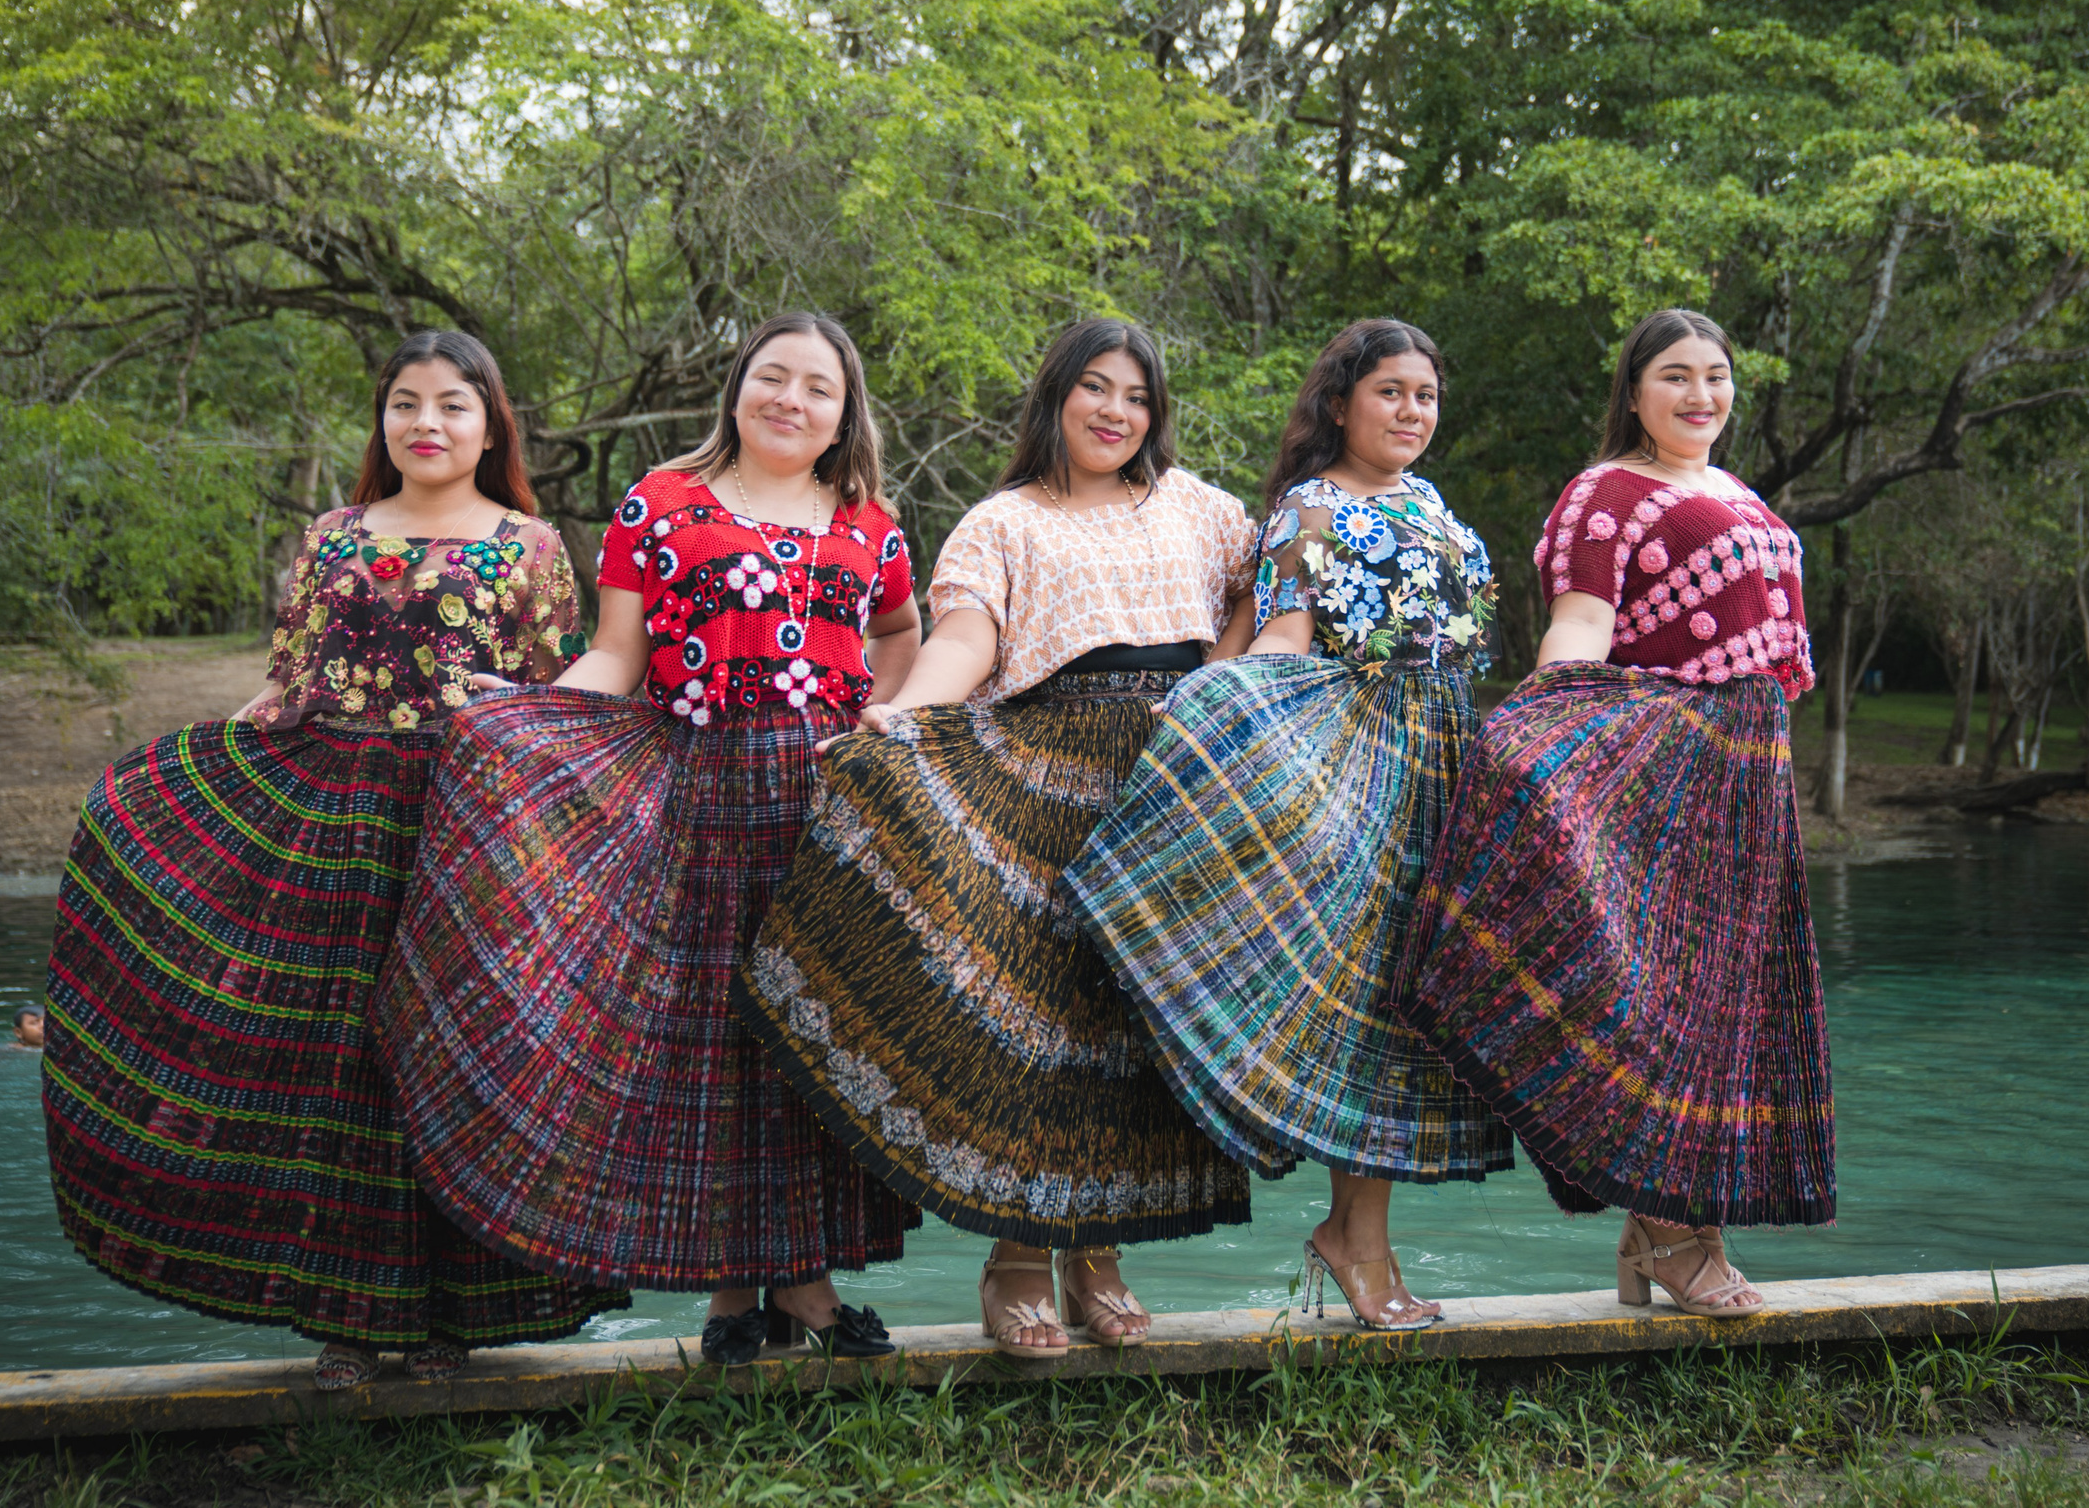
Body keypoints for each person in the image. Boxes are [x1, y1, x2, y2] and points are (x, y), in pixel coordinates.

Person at [43, 331, 625, 1390]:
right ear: (383, 422)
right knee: (337, 1064)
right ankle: (349, 1325)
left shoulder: (532, 545)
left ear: (490, 424)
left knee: (456, 1053)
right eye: (405, 404)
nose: (426, 424)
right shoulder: (336, 534)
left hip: (469, 824)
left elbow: (555, 698)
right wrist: (191, 780)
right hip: (336, 824)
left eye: (452, 405)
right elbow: (288, 681)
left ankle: (453, 1324)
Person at [373, 313, 922, 1368]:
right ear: (738, 387)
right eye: (771, 378)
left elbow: (900, 634)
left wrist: (872, 721)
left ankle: (805, 1285)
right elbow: (615, 657)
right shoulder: (660, 502)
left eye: (816, 387)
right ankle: (729, 1294)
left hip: (827, 810)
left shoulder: (869, 521)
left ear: (843, 410)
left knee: (808, 1037)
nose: (790, 401)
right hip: (693, 798)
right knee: (709, 1043)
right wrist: (525, 716)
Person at [738, 318, 1259, 1359]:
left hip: (1171, 777)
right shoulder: (1002, 521)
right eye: (1095, 389)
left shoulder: (1201, 507)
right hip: (1043, 771)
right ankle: (1017, 1264)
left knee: (1141, 1022)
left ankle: (1098, 1262)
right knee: (1048, 1019)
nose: (1115, 412)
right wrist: (912, 712)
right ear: (1057, 396)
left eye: (1136, 397)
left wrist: (1219, 681)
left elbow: (1261, 595)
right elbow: (966, 638)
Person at [1063, 320, 1509, 1332]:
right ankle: (1357, 1247)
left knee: (1402, 1010)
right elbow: (1280, 641)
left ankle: (1358, 1235)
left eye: (1425, 396)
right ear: (1341, 404)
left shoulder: (1429, 504)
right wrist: (1207, 704)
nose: (1410, 412)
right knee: (1348, 1003)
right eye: (1389, 392)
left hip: (1439, 765)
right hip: (1351, 768)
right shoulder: (1309, 511)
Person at [1404, 308, 1834, 1318]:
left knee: (1721, 1017)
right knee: (1656, 1007)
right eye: (1675, 377)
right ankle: (1677, 1238)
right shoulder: (1606, 494)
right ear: (1634, 391)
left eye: (1717, 377)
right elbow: (1582, 625)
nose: (1700, 397)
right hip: (1661, 764)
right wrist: (1538, 732)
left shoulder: (1736, 492)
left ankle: (1663, 1231)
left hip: (1748, 773)